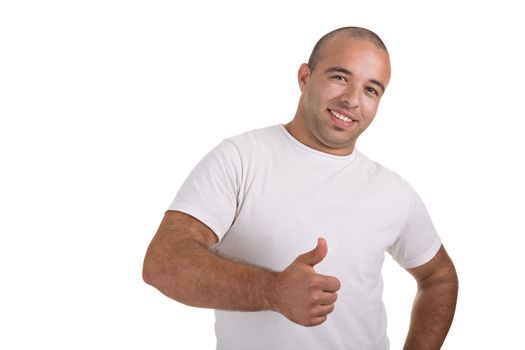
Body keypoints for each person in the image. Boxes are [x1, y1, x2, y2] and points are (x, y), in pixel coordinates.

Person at [143, 26, 459, 350]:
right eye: (340, 77)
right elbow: (164, 262)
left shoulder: (393, 192)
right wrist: (273, 291)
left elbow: (439, 278)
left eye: (371, 90)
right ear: (305, 77)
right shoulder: (241, 159)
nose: (351, 99)